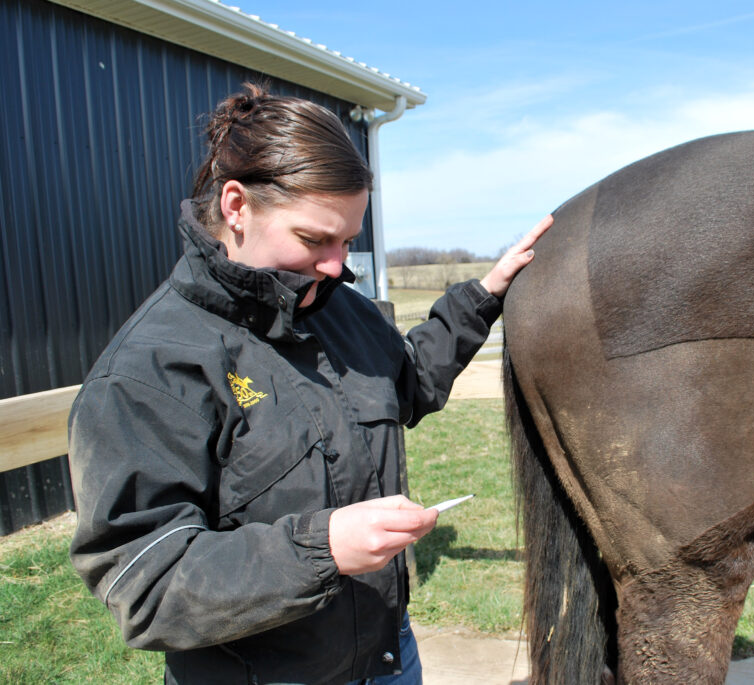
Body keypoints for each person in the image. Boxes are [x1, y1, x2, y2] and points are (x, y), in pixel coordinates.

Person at [68, 83, 552, 685]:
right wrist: (321, 548)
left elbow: (406, 381)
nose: (335, 263)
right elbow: (146, 581)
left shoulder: (340, 310)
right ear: (237, 206)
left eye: (348, 239)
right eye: (314, 239)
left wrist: (483, 297)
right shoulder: (151, 369)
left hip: (387, 653)